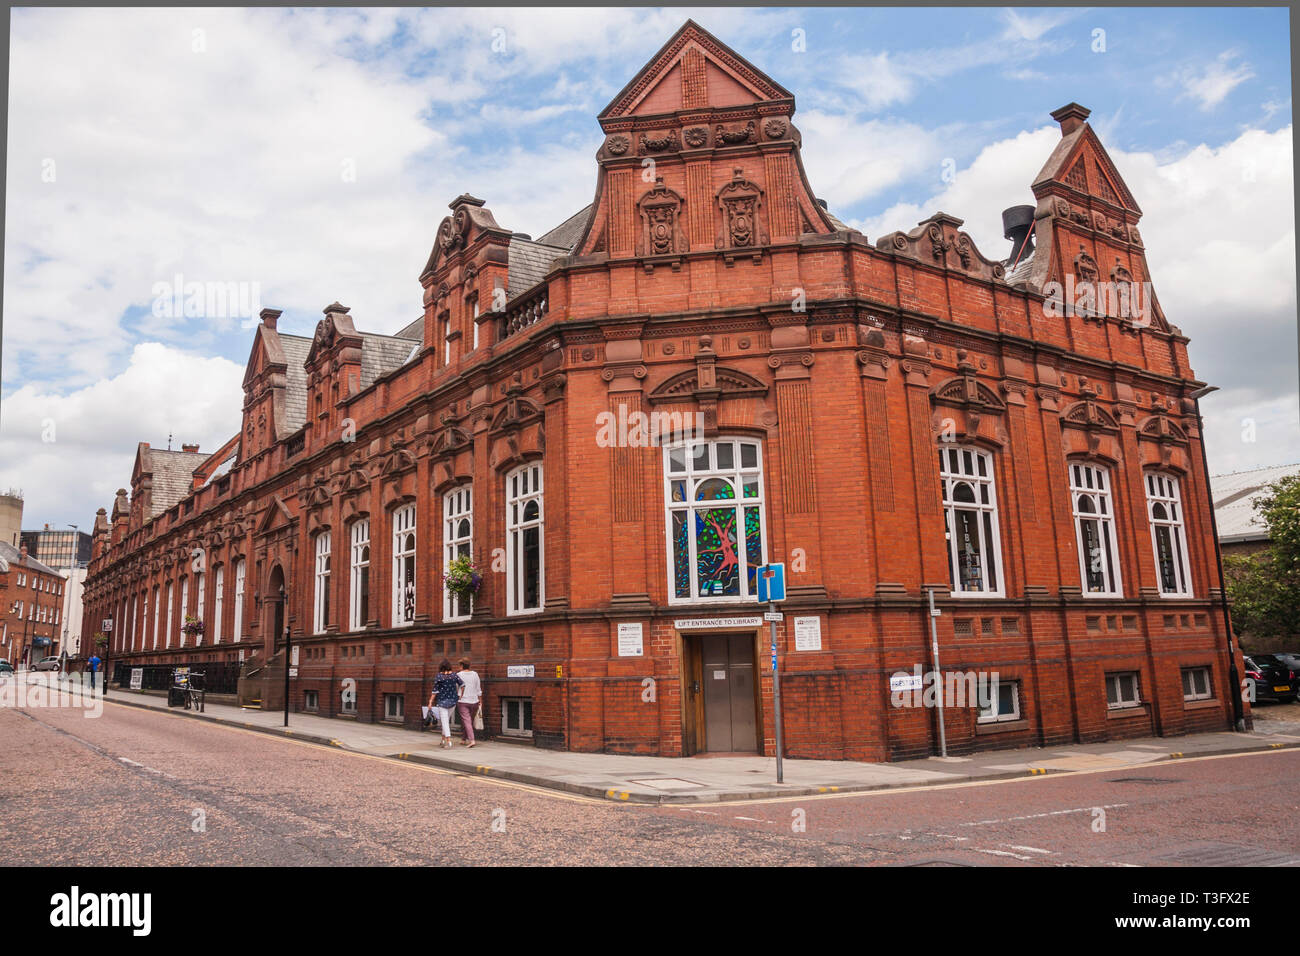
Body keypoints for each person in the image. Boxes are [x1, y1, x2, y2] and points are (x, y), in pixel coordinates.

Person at [428, 660, 461, 749]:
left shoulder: (439, 676)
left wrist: (430, 701)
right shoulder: (454, 675)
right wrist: (460, 695)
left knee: (445, 722)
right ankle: (443, 740)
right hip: (453, 701)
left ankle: (449, 741)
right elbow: (463, 684)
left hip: (442, 702)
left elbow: (435, 691)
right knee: (445, 721)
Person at [456, 657, 482, 747]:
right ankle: (463, 738)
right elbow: (478, 689)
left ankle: (472, 740)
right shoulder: (475, 674)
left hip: (463, 701)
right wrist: (480, 701)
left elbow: (456, 688)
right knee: (467, 721)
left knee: (466, 721)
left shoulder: (458, 675)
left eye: (459, 665)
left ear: (462, 665)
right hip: (474, 701)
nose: (459, 667)